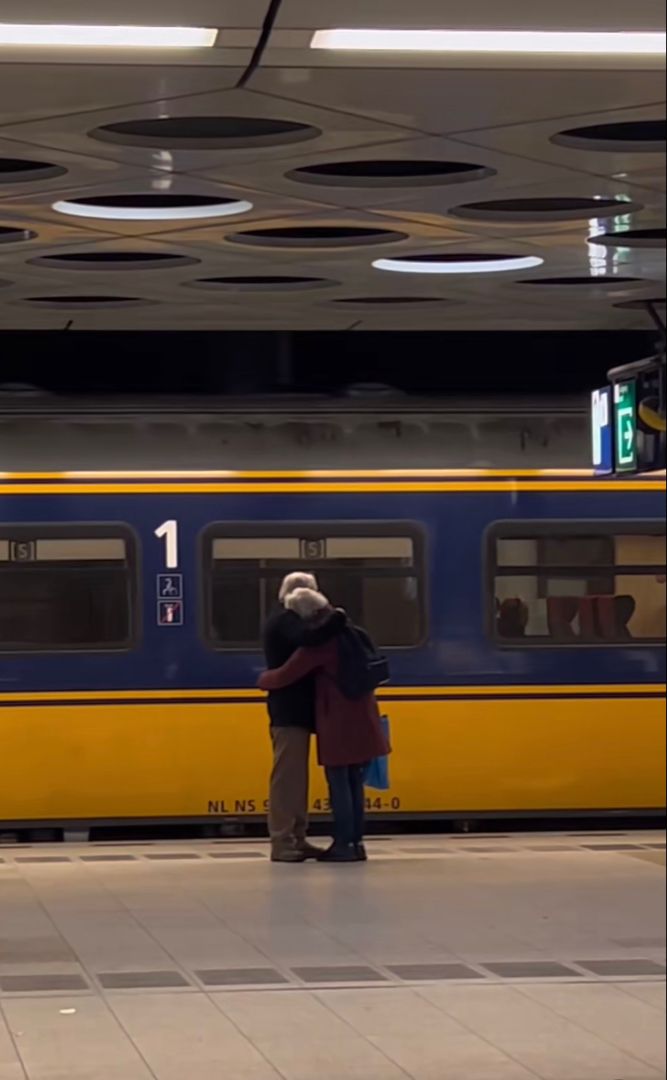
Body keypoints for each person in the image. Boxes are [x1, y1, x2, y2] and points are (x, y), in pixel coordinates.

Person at [258, 589, 389, 863]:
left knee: (339, 780)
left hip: (338, 719)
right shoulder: (356, 633)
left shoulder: (322, 644)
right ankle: (356, 843)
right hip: (364, 715)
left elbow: (285, 675)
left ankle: (343, 843)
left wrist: (263, 679)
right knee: (355, 781)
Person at [263, 572, 343, 863]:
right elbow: (310, 639)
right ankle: (282, 840)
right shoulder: (285, 621)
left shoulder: (287, 620)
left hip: (296, 711)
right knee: (287, 779)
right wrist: (336, 618)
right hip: (288, 712)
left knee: (297, 778)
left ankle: (297, 837)